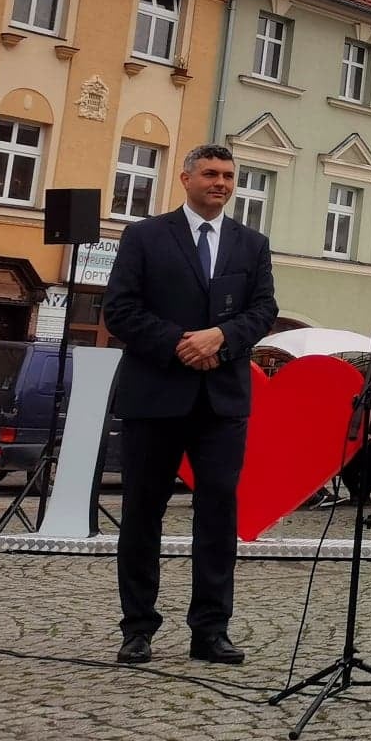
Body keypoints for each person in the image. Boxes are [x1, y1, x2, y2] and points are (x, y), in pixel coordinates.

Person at [103, 144, 277, 666]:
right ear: (185, 178)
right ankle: (137, 629)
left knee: (218, 516)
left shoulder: (252, 244)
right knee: (142, 515)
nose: (220, 183)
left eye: (228, 175)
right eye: (210, 174)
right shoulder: (145, 237)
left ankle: (211, 630)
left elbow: (264, 309)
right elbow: (120, 311)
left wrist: (220, 337)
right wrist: (183, 342)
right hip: (155, 396)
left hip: (221, 404)